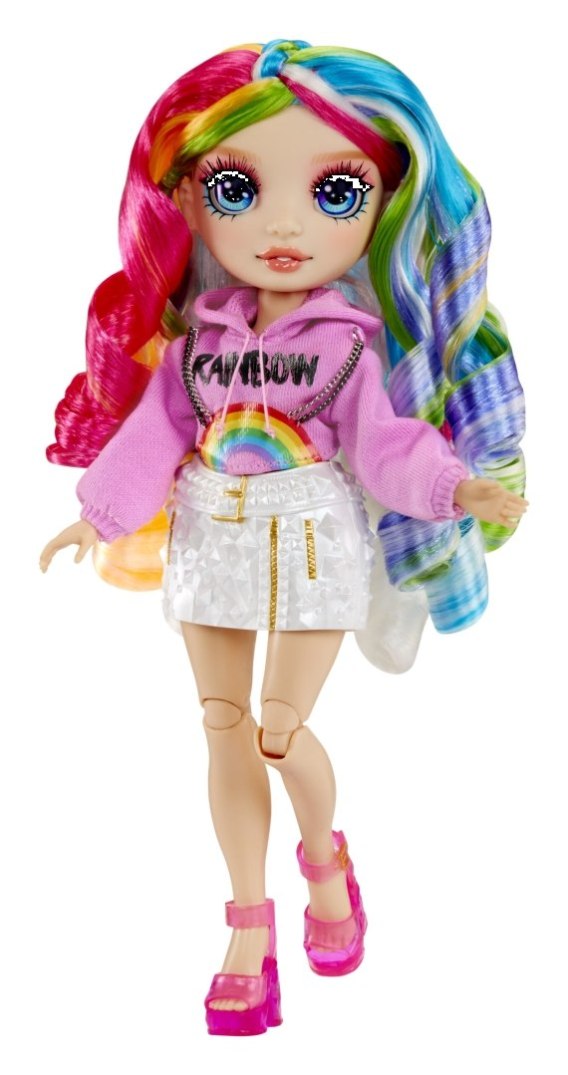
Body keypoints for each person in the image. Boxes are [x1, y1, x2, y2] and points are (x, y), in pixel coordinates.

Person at [40, 39, 527, 1036]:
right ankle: (248, 925)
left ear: (382, 206)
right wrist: (98, 514)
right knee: (221, 727)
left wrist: (454, 483)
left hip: (310, 542)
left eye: (335, 193)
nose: (285, 224)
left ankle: (325, 862)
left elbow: (384, 444)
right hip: (212, 535)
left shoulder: (346, 349)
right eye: (238, 188)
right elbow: (155, 434)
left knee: (277, 728)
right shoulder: (200, 347)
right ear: (190, 199)